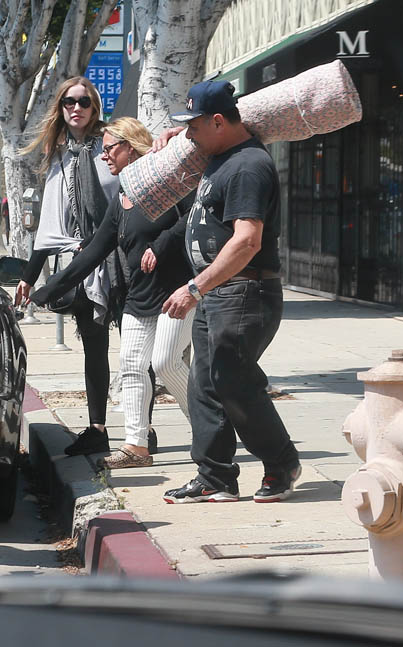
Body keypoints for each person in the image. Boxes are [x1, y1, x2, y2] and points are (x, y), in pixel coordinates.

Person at [158, 80, 301, 503]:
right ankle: (215, 477)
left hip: (243, 292)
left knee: (233, 382)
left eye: (194, 125)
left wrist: (194, 287)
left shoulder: (247, 167)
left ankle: (281, 463)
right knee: (204, 386)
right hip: (218, 294)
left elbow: (246, 241)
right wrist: (174, 138)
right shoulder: (221, 156)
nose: (189, 134)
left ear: (218, 121)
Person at [30, 118, 194, 469]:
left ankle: (208, 426)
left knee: (165, 363)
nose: (103, 156)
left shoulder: (166, 183)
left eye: (108, 149)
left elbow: (193, 216)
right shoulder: (122, 199)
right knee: (131, 367)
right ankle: (136, 447)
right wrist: (46, 291)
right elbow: (92, 252)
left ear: (130, 148)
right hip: (139, 296)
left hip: (177, 292)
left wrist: (161, 244)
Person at [14, 77, 123, 457]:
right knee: (95, 348)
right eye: (69, 102)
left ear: (95, 107)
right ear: (60, 108)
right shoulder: (59, 156)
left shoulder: (110, 146)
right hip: (83, 264)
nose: (76, 108)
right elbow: (50, 223)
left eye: (84, 102)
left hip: (123, 260)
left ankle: (142, 429)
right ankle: (97, 428)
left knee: (137, 349)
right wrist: (29, 277)